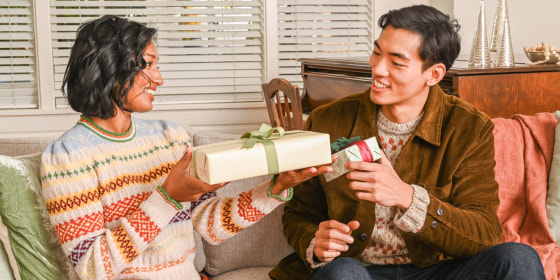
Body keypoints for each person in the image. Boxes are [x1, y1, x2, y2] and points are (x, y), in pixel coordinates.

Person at [40, 15, 332, 280]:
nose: (159, 78)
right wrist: (167, 198)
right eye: (148, 65)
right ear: (109, 65)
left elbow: (210, 226)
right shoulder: (67, 157)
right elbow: (92, 268)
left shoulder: (170, 137)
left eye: (158, 65)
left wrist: (274, 189)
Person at [269, 5, 545, 280]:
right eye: (377, 52)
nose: (377, 69)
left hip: (437, 270)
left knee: (519, 258)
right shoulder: (326, 120)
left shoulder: (470, 128)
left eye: (396, 62)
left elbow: (483, 233)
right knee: (342, 273)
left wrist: (407, 197)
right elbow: (298, 213)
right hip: (359, 269)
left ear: (434, 74)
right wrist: (314, 243)